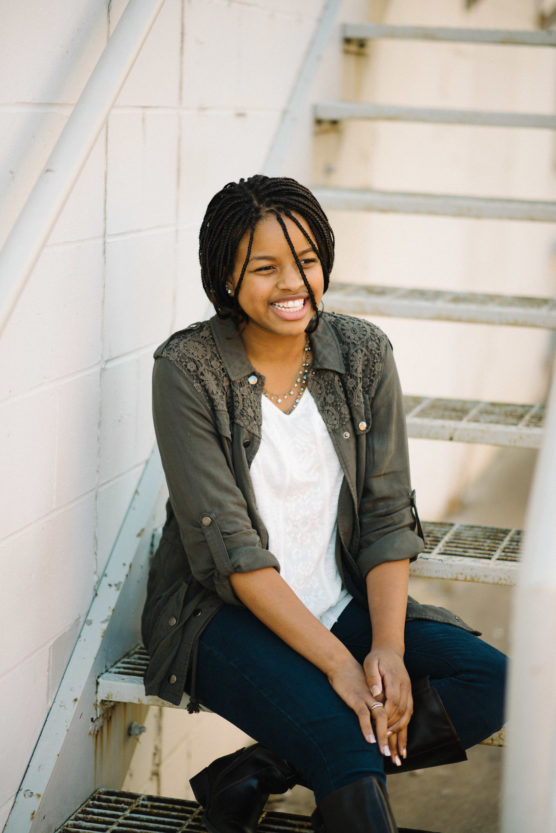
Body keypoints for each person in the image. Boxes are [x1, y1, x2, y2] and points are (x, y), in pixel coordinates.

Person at [141, 175, 507, 833]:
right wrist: (341, 664)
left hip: (339, 600)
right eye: (265, 267)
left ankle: (261, 768)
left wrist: (386, 649)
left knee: (491, 681)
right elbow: (230, 550)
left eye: (307, 260)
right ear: (226, 276)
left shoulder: (362, 353)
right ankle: (301, 759)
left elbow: (387, 511)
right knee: (345, 748)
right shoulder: (188, 368)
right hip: (220, 615)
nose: (294, 283)